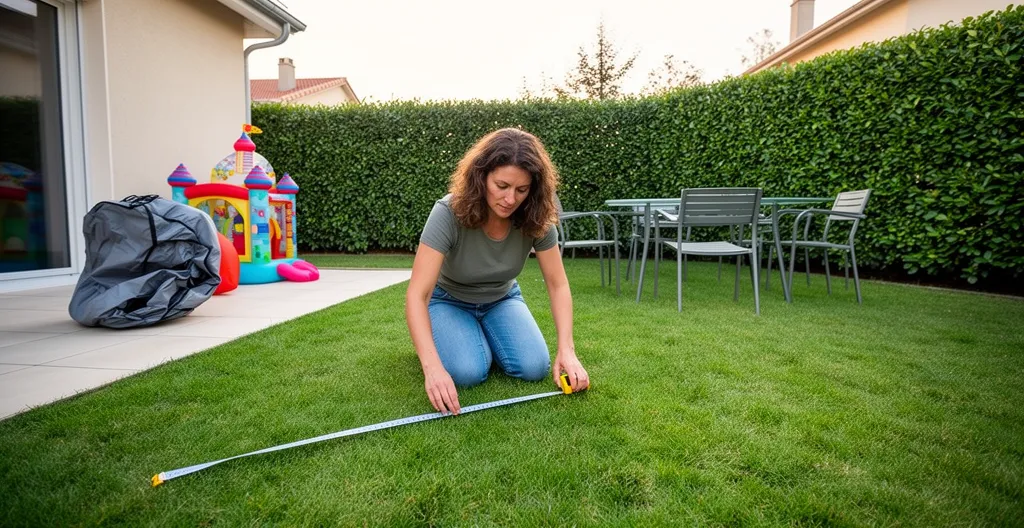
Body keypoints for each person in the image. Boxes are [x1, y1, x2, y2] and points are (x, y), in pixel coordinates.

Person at [405, 127, 590, 415]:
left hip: (502, 299)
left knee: (533, 367)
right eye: (501, 186)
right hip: (448, 300)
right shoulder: (448, 211)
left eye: (521, 190)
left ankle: (476, 335)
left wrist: (567, 349)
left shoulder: (536, 215)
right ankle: (449, 339)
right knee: (468, 373)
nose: (510, 199)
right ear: (481, 177)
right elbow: (418, 294)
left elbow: (558, 284)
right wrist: (432, 367)